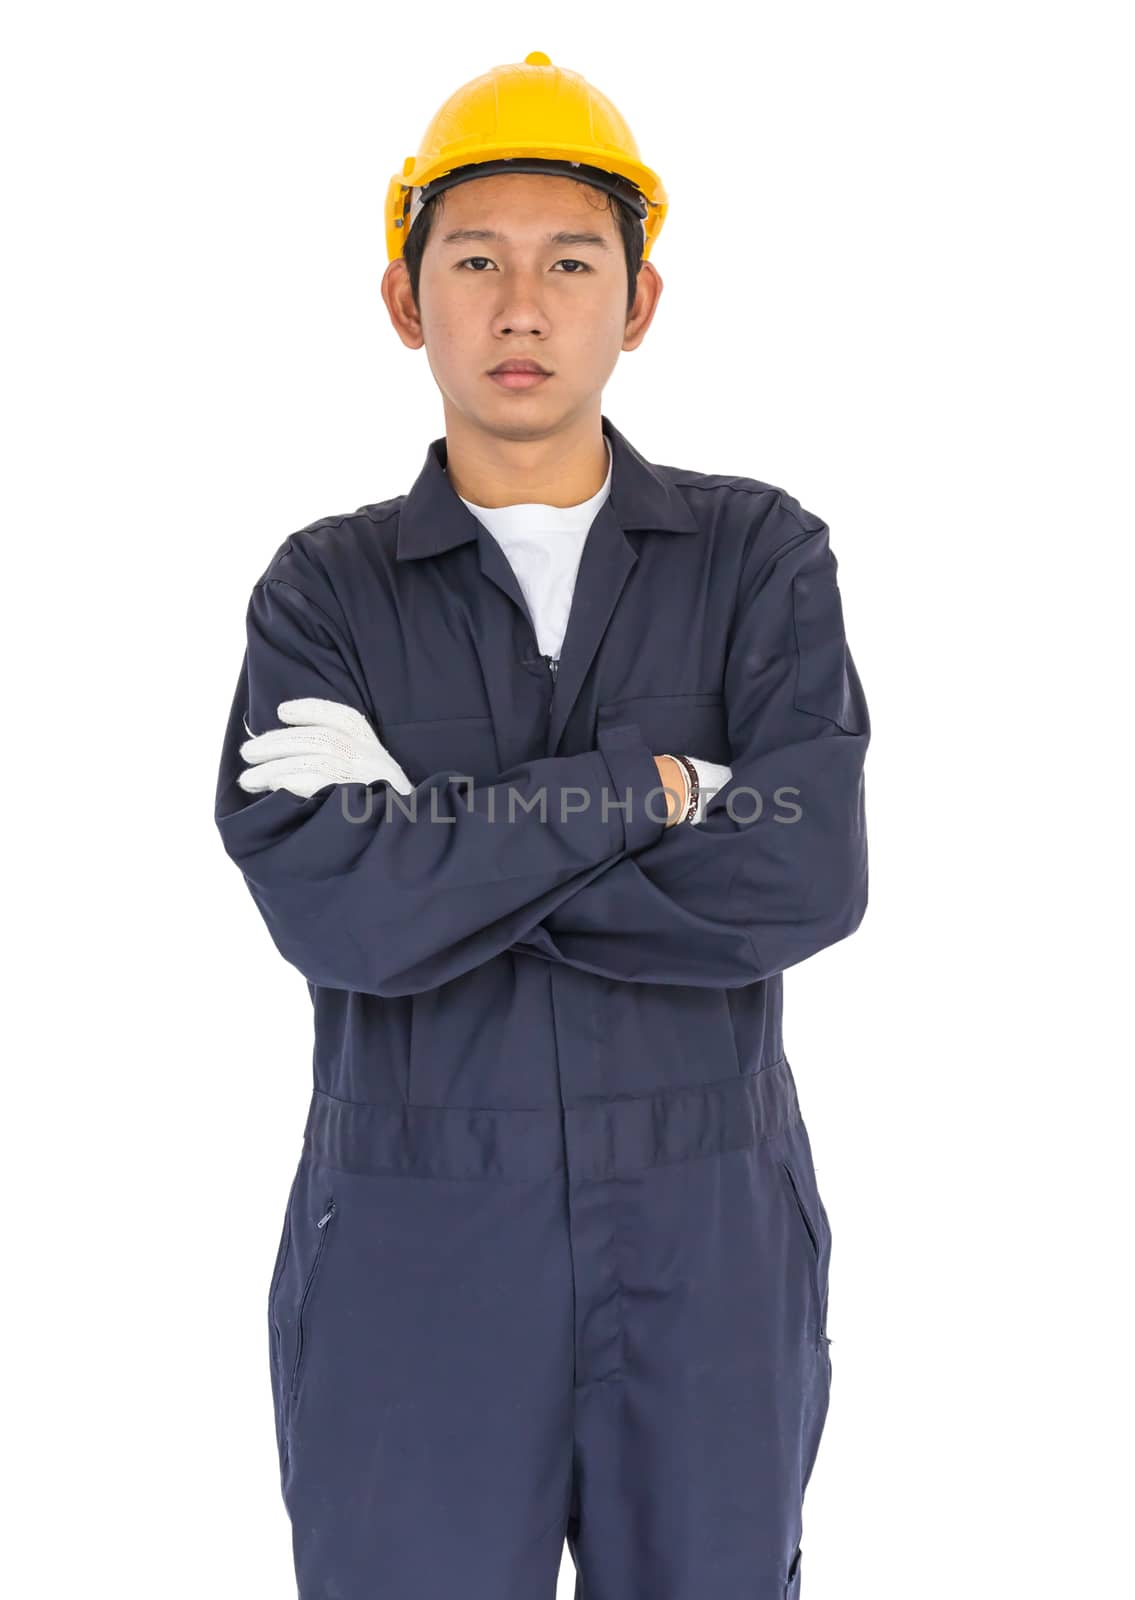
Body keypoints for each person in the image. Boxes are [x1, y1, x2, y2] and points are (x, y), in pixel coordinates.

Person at [214, 48, 870, 1600]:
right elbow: (339, 916)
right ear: (405, 298)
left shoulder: (759, 557)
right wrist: (639, 795)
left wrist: (439, 843)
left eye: (570, 262)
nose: (522, 306)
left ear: (637, 302)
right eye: (477, 262)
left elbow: (805, 867)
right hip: (411, 1235)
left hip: (704, 1232)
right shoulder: (326, 591)